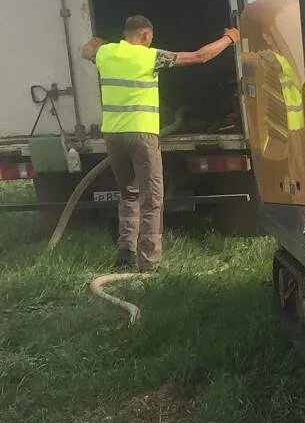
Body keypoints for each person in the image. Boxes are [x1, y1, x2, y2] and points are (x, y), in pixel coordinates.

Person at [80, 16, 240, 271]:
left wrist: (99, 39)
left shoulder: (106, 53)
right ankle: (149, 263)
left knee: (128, 193)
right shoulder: (151, 57)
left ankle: (125, 252)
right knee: (152, 198)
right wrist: (230, 38)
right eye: (151, 37)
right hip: (142, 135)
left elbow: (86, 49)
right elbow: (200, 56)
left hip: (112, 135)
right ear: (145, 36)